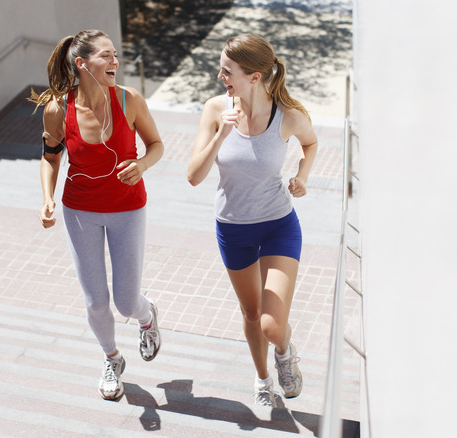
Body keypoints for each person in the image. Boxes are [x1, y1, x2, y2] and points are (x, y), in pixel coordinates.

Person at [30, 29, 164, 401]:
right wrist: (47, 197)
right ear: (82, 63)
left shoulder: (129, 100)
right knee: (95, 301)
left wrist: (141, 164)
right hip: (79, 210)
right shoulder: (59, 109)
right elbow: (50, 156)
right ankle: (111, 358)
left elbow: (156, 145)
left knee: (125, 300)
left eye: (116, 55)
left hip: (127, 208)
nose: (115, 62)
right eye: (106, 56)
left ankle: (147, 314)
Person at [187, 34, 318, 407]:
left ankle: (284, 352)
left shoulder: (288, 115)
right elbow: (194, 176)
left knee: (271, 324)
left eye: (227, 71)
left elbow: (310, 143)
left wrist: (303, 177)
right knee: (250, 312)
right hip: (232, 228)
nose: (219, 76)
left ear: (255, 76)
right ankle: (263, 379)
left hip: (278, 225)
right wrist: (222, 135)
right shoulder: (215, 110)